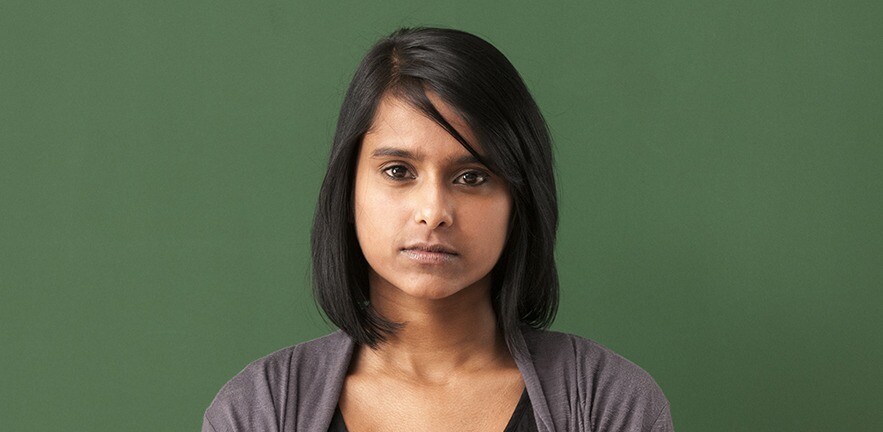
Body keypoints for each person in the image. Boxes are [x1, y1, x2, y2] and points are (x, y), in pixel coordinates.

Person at [202, 27, 673, 432]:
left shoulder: (610, 403)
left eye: (472, 177)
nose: (433, 212)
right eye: (398, 171)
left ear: (519, 202)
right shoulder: (258, 409)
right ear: (348, 191)